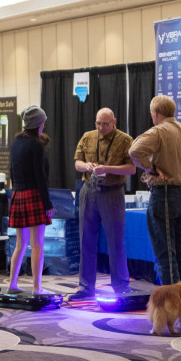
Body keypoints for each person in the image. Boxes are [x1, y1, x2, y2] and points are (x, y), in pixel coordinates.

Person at [129, 95, 181, 285]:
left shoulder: (158, 132)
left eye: (152, 113)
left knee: (165, 253)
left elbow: (134, 151)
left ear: (155, 113)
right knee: (180, 252)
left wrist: (151, 168)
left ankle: (171, 302)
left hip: (164, 195)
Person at [68, 108, 135, 301]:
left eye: (105, 124)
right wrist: (87, 166)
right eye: (98, 123)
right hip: (88, 190)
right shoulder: (88, 136)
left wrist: (107, 168)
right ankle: (86, 287)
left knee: (116, 241)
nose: (101, 127)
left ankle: (121, 286)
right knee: (86, 239)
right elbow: (77, 163)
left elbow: (131, 169)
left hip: (113, 192)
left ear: (114, 121)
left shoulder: (125, 140)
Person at [7, 106, 54, 295]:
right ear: (39, 125)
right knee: (37, 245)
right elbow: (40, 176)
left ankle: (12, 284)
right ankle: (37, 287)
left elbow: (11, 171)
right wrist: (48, 203)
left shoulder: (17, 142)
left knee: (20, 245)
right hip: (34, 195)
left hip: (18, 194)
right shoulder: (36, 145)